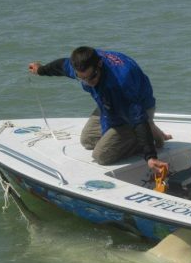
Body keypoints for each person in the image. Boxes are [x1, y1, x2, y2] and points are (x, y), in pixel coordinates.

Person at [28, 46, 170, 173]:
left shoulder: (119, 84)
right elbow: (61, 66)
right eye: (82, 79)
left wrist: (150, 157)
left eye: (92, 77)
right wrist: (41, 70)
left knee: (101, 156)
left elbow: (137, 117)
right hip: (109, 105)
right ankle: (149, 127)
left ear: (99, 65)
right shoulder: (82, 66)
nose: (89, 82)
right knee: (87, 140)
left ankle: (149, 131)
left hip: (133, 108)